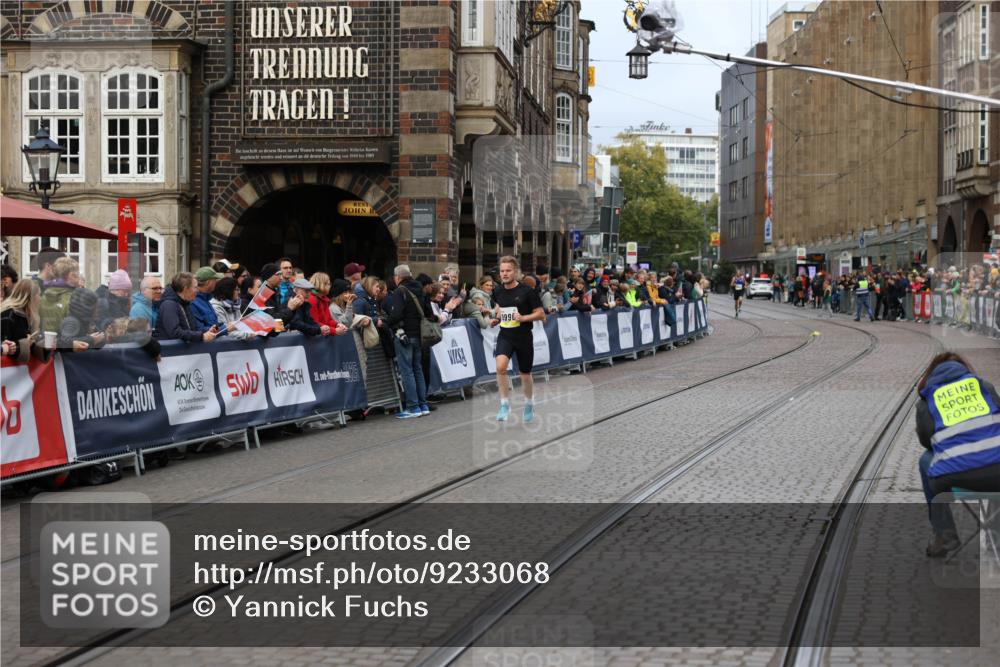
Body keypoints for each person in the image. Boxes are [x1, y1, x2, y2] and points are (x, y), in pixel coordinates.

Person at [916, 352, 1000, 557]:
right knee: (993, 456)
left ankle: (945, 536)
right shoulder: (984, 387)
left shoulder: (927, 399)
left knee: (925, 460)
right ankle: (995, 536)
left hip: (955, 479)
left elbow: (927, 442)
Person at [490, 255, 545, 423]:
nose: (504, 274)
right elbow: (500, 308)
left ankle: (529, 403)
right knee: (500, 367)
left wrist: (524, 318)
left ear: (515, 272)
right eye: (502, 271)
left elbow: (541, 314)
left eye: (508, 271)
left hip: (523, 337)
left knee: (525, 374)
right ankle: (504, 404)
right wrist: (497, 319)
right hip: (505, 334)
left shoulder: (527, 291)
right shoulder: (497, 290)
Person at [384, 264, 435, 418]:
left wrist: (386, 322)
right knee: (417, 368)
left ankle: (412, 407)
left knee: (407, 371)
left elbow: (397, 314)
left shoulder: (400, 291)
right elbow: (429, 313)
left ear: (397, 277)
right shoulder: (420, 290)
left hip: (404, 334)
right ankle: (422, 404)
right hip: (420, 334)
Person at [155, 272, 220, 343]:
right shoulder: (169, 305)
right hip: (170, 352)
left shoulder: (185, 303)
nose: (197, 290)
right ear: (186, 289)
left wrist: (207, 331)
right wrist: (201, 336)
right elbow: (175, 332)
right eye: (195, 287)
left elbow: (193, 329)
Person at [38, 257, 81, 332]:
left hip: (45, 340)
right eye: (77, 274)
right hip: (68, 341)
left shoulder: (44, 295)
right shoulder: (73, 298)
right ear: (71, 275)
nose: (79, 277)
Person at [1, 279, 41, 359]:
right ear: (31, 296)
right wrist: (25, 344)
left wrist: (44, 346)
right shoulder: (9, 314)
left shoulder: (28, 316)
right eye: (39, 295)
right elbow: (5, 346)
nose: (40, 298)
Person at [190, 266, 224, 331]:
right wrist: (225, 328)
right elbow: (200, 330)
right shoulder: (193, 302)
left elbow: (213, 325)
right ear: (208, 282)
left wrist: (226, 325)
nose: (216, 282)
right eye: (215, 280)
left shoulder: (206, 299)